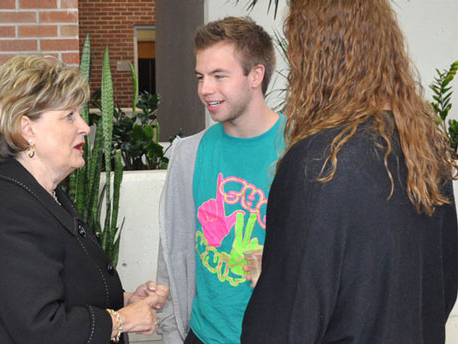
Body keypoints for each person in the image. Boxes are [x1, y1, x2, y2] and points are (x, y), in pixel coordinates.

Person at [241, 1, 458, 343]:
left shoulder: (319, 162)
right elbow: (441, 288)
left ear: (319, 57)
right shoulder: (424, 150)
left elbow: (284, 327)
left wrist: (272, 282)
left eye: (297, 47)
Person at [0, 55, 169, 344]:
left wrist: (126, 299)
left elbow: (61, 287)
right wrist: (121, 320)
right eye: (69, 116)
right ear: (27, 129)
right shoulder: (13, 211)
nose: (84, 126)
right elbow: (42, 327)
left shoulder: (44, 194)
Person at [156, 16, 285, 344]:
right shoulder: (188, 155)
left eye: (219, 76)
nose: (204, 90)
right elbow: (172, 254)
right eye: (201, 77)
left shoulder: (298, 150)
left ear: (255, 75)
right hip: (202, 335)